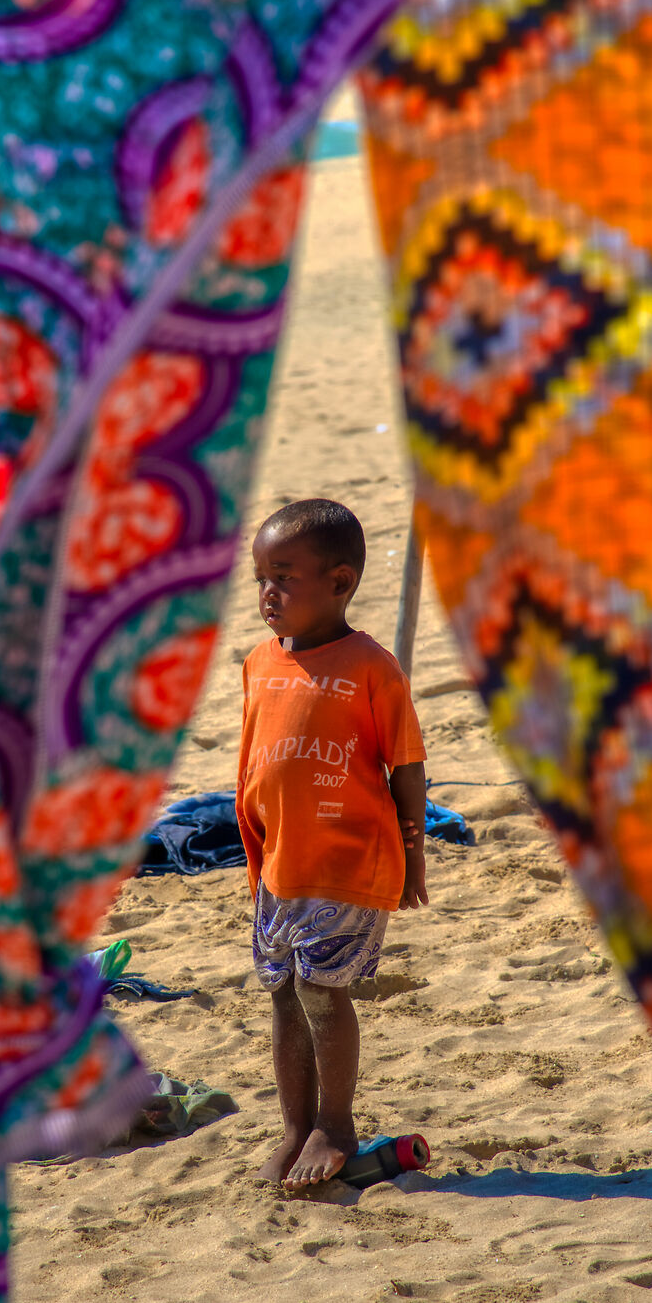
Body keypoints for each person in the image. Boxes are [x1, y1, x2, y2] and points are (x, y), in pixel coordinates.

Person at [236, 499, 427, 1191]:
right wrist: (257, 860)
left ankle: (336, 1125)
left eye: (284, 578)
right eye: (262, 576)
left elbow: (406, 766)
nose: (267, 592)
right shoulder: (260, 661)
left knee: (321, 990)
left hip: (349, 860)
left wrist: (413, 855)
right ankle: (295, 1126)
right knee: (284, 993)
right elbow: (253, 767)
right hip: (282, 866)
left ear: (340, 583)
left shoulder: (373, 668)